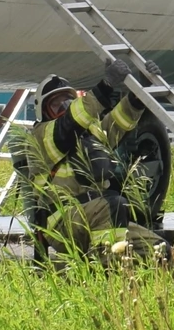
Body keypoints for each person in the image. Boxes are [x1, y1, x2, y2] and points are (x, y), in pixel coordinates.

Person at [14, 66, 165, 260]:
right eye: (56, 105)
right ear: (43, 111)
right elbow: (68, 124)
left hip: (100, 211)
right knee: (114, 205)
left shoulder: (91, 134)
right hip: (63, 221)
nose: (64, 108)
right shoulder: (42, 136)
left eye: (68, 102)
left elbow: (119, 120)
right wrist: (106, 86)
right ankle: (106, 271)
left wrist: (141, 91)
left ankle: (135, 282)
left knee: (159, 250)